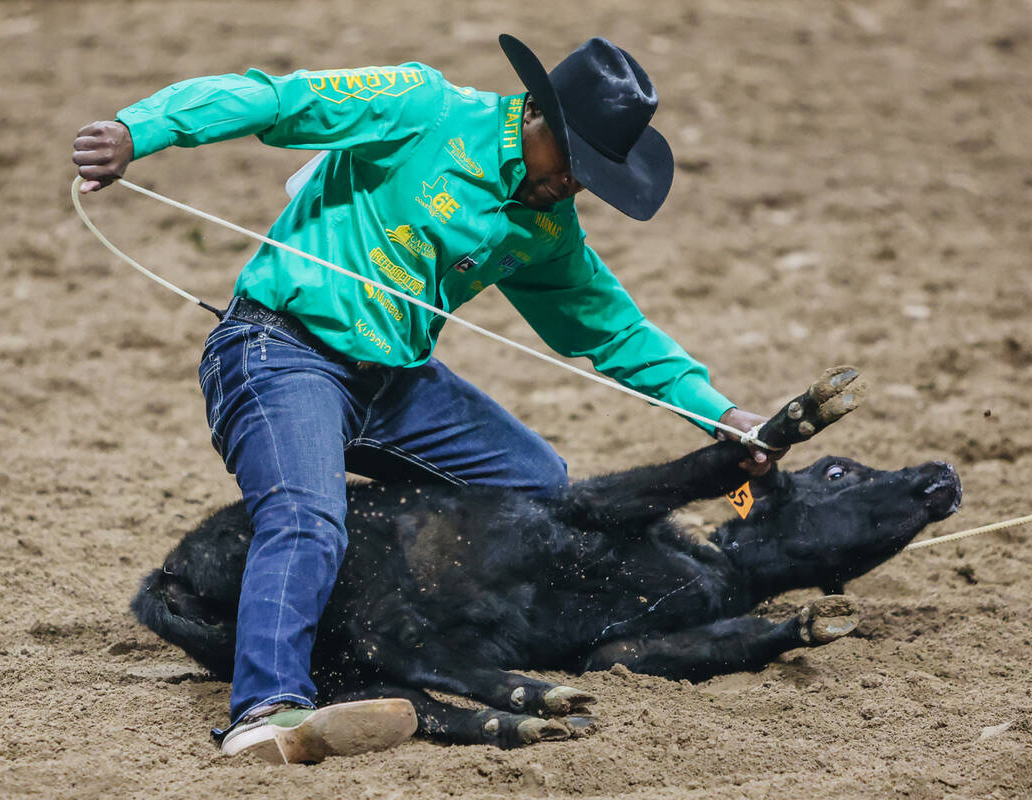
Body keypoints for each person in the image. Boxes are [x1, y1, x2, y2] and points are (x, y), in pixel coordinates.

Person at [72, 34, 785, 763]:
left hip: (394, 385)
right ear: (532, 112)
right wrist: (140, 129)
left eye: (591, 177)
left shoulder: (543, 227)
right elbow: (274, 99)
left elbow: (610, 326)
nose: (574, 184)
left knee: (536, 489)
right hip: (279, 352)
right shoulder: (422, 104)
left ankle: (422, 635)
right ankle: (266, 708)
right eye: (572, 162)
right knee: (305, 517)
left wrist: (718, 413)